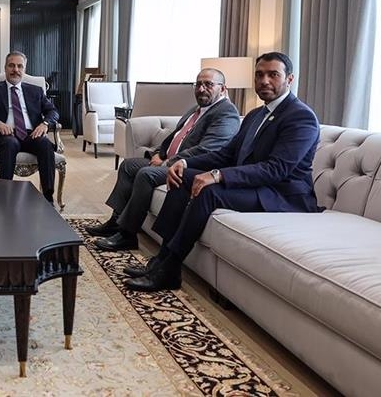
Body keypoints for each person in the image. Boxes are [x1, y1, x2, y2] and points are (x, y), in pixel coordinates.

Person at [125, 52, 321, 292]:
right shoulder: (255, 115)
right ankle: (162, 258)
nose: (264, 81)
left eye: (273, 75)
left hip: (281, 194)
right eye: (259, 75)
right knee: (181, 177)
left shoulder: (300, 116)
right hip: (255, 185)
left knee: (209, 192)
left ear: (289, 79)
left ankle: (170, 267)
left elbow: (276, 169)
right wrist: (184, 163)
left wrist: (218, 175)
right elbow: (227, 154)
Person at [90, 68, 241, 251]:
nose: (201, 89)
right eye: (198, 84)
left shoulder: (226, 113)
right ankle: (116, 222)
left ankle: (127, 235)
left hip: (190, 167)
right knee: (128, 165)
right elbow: (175, 136)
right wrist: (158, 153)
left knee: (146, 174)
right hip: (169, 160)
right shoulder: (196, 110)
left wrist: (167, 162)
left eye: (208, 84)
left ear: (222, 88)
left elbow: (207, 149)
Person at [0, 51, 59, 202]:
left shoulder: (36, 91)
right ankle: (5, 196)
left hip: (31, 134)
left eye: (20, 66)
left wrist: (45, 124)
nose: (16, 70)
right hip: (4, 135)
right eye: (12, 66)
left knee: (45, 144)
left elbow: (53, 111)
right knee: (10, 143)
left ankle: (48, 199)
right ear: (5, 68)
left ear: (24, 69)